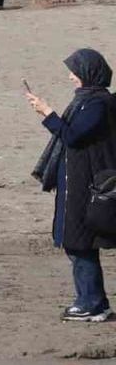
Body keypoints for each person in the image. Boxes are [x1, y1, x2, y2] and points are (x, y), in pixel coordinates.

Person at [26, 49, 116, 322]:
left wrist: (47, 113)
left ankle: (91, 302)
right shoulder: (89, 101)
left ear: (88, 74)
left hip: (87, 184)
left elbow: (73, 136)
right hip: (79, 181)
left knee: (79, 242)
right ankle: (92, 300)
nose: (70, 77)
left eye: (74, 72)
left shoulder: (98, 104)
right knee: (77, 242)